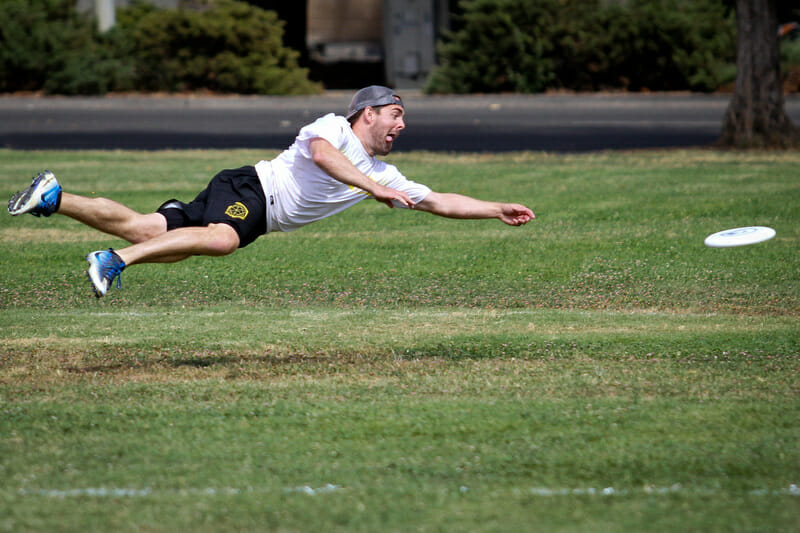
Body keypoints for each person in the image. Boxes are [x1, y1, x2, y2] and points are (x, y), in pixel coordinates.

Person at [8, 86, 535, 298]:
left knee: (146, 227)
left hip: (258, 209)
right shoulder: (334, 128)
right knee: (220, 240)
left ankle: (55, 197)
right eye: (395, 115)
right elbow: (323, 159)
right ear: (368, 112)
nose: (401, 125)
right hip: (251, 189)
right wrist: (372, 187)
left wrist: (495, 210)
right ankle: (113, 260)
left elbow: (438, 200)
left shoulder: (386, 174)